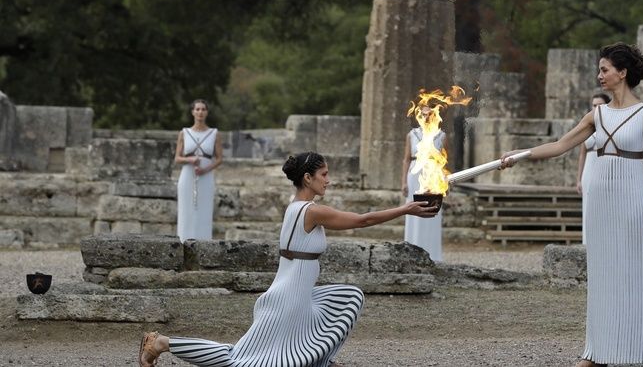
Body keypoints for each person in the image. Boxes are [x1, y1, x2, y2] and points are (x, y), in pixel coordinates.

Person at [138, 152, 439, 367]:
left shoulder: (296, 208)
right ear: (307, 178)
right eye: (324, 175)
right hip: (288, 301)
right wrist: (406, 209)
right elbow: (362, 221)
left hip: (296, 296)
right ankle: (161, 343)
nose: (328, 181)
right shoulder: (311, 211)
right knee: (241, 360)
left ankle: (321, 361)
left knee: (349, 296)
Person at [500, 43, 643, 367]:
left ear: (622, 73)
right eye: (600, 70)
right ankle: (597, 351)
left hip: (631, 200)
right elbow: (560, 145)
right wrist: (518, 156)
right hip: (600, 205)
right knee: (603, 275)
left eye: (605, 70)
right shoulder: (596, 114)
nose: (600, 76)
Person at [400, 105, 449, 261]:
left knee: (432, 211)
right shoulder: (412, 134)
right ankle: (411, 251)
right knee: (413, 210)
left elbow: (445, 161)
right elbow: (407, 158)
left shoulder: (441, 135)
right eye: (423, 114)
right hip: (415, 174)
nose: (426, 117)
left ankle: (432, 254)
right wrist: (403, 182)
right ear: (419, 116)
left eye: (429, 115)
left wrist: (446, 181)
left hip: (434, 174)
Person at [174, 99, 223, 241]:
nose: (200, 112)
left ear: (207, 112)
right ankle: (183, 243)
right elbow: (177, 158)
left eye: (203, 109)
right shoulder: (184, 133)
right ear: (192, 112)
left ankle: (203, 246)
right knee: (186, 213)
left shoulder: (214, 133)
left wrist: (205, 170)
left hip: (206, 177)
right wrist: (190, 160)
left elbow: (219, 159)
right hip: (187, 176)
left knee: (204, 212)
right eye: (197, 109)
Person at [576, 92, 611, 197]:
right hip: (588, 171)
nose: (596, 108)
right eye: (594, 105)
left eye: (600, 105)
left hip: (606, 173)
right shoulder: (586, 126)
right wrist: (579, 179)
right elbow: (582, 155)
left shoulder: (613, 125)